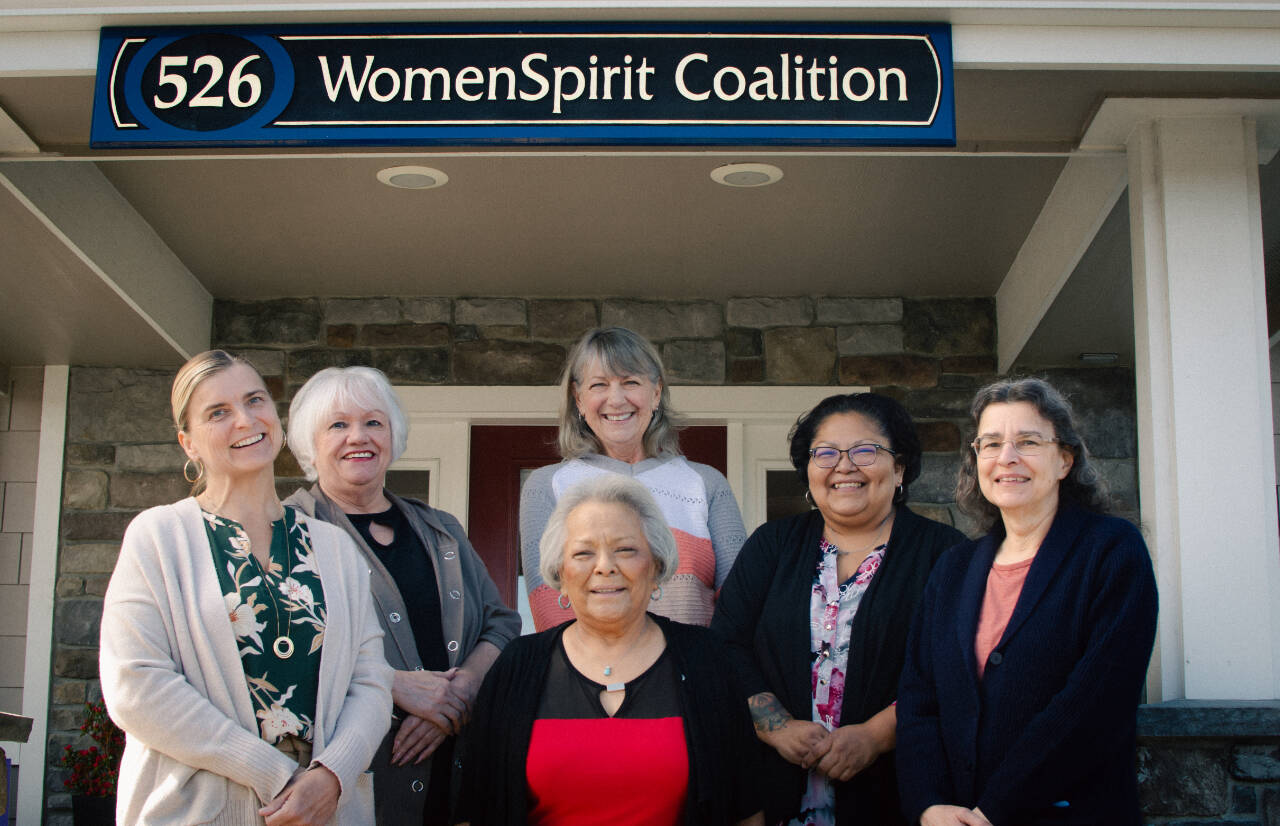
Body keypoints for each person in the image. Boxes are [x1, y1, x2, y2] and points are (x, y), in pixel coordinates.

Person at [100, 350, 392, 825]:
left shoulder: (334, 548)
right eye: (218, 412)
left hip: (328, 811)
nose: (245, 419)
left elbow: (372, 682)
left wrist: (332, 777)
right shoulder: (157, 537)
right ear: (188, 443)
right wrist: (275, 774)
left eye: (254, 400)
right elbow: (135, 684)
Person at [895, 377, 1158, 826]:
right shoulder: (954, 568)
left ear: (1064, 460)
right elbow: (919, 698)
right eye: (991, 443)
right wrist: (929, 804)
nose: (1007, 458)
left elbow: (1095, 704)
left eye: (1028, 442)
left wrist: (994, 809)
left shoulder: (1111, 550)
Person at [712, 392, 965, 826]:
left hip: (894, 796)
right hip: (770, 797)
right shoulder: (772, 545)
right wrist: (775, 726)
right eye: (825, 453)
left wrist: (874, 737)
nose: (844, 466)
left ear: (899, 467)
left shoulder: (946, 555)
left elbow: (955, 670)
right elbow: (725, 646)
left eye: (865, 450)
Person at [283, 366, 520, 826]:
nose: (359, 436)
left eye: (374, 422)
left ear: (393, 434)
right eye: (338, 425)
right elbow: (282, 649)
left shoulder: (440, 529)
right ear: (310, 444)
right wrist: (394, 685)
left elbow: (502, 624)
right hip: (352, 780)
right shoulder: (289, 532)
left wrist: (457, 695)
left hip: (456, 777)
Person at [455, 474, 764, 826]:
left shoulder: (706, 658)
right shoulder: (518, 664)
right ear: (560, 572)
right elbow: (475, 808)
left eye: (625, 550)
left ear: (657, 566)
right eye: (584, 553)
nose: (605, 566)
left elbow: (746, 809)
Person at [520, 326, 747, 630]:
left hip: (691, 670)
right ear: (578, 399)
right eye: (599, 385)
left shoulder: (706, 484)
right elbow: (549, 610)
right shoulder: (547, 486)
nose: (616, 399)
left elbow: (740, 608)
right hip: (585, 674)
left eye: (630, 382)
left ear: (656, 393)